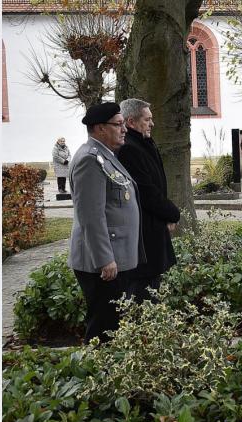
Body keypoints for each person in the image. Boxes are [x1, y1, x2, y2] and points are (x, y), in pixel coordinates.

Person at [68, 102, 145, 343]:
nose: (124, 129)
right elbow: (91, 216)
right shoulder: (90, 160)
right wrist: (105, 259)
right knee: (104, 327)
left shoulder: (105, 156)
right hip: (102, 263)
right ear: (100, 128)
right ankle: (99, 374)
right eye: (118, 124)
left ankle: (112, 372)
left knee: (114, 321)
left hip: (115, 257)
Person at [117, 98, 181, 303]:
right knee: (142, 291)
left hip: (152, 227)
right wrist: (171, 213)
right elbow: (146, 191)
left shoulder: (142, 144)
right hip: (143, 233)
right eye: (147, 119)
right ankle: (142, 332)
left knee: (152, 287)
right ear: (131, 122)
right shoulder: (130, 149)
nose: (152, 124)